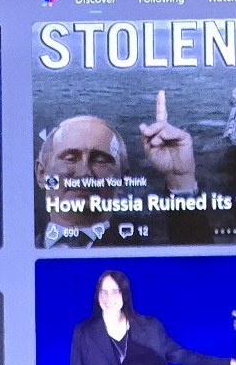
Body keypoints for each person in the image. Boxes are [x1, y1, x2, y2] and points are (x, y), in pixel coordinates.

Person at [35, 92, 202, 248]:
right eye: (70, 158)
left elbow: (198, 263)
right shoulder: (22, 243)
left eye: (100, 161)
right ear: (41, 173)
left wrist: (180, 179)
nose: (84, 172)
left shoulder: (146, 245)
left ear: (122, 178)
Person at [68, 269, 236, 365]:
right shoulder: (83, 332)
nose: (108, 298)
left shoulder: (150, 328)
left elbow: (183, 356)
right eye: (103, 292)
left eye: (115, 292)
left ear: (125, 295)